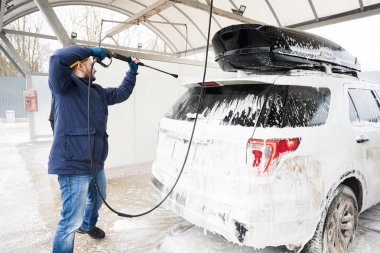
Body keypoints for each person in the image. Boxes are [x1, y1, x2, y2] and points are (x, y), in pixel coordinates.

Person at [48, 45, 139, 253]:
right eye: (92, 63)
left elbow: (121, 93)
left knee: (98, 200)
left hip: (95, 163)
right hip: (72, 164)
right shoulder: (64, 87)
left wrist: (132, 72)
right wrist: (90, 50)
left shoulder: (96, 92)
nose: (95, 67)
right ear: (80, 66)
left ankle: (87, 226)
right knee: (69, 221)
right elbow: (57, 58)